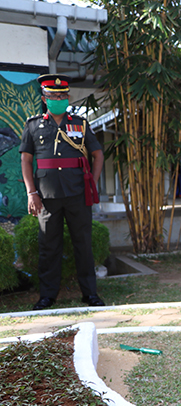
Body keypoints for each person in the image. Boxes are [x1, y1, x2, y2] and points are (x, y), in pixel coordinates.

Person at [19, 74, 105, 310]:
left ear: (67, 97)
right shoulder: (33, 125)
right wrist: (31, 193)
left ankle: (90, 294)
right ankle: (47, 296)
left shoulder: (80, 123)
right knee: (48, 246)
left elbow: (97, 154)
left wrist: (92, 183)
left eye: (62, 95)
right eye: (53, 95)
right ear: (44, 99)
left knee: (83, 244)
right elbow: (26, 161)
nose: (58, 98)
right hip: (46, 196)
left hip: (78, 193)